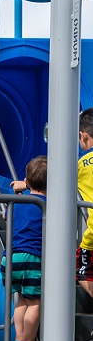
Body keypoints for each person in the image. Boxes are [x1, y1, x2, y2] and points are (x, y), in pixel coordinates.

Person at [2, 155, 47, 341]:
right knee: (35, 302)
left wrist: (20, 191)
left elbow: (5, 216)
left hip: (10, 258)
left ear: (27, 182)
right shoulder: (46, 205)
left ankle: (19, 339)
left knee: (21, 300)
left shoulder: (15, 203)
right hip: (31, 258)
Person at [77, 108, 93, 299]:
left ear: (84, 136)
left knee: (80, 271)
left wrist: (27, 182)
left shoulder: (81, 163)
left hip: (91, 236)